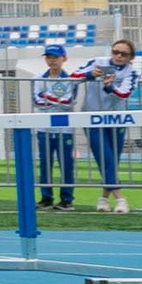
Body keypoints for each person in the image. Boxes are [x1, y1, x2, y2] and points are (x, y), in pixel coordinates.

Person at [76, 37, 142, 212]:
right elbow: (74, 75)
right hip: (92, 117)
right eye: (115, 52)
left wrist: (110, 87)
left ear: (130, 57)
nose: (119, 56)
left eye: (124, 54)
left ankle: (104, 198)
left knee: (112, 160)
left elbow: (124, 94)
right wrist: (90, 75)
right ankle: (120, 198)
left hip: (116, 119)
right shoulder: (98, 62)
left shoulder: (131, 72)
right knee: (104, 157)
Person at [30, 44, 81, 209]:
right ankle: (46, 198)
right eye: (48, 57)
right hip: (43, 127)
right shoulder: (38, 78)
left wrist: (46, 96)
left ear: (64, 58)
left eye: (55, 57)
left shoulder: (71, 79)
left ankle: (67, 199)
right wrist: (55, 100)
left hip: (64, 128)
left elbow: (68, 102)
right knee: (45, 163)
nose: (51, 61)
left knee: (66, 164)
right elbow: (37, 102)